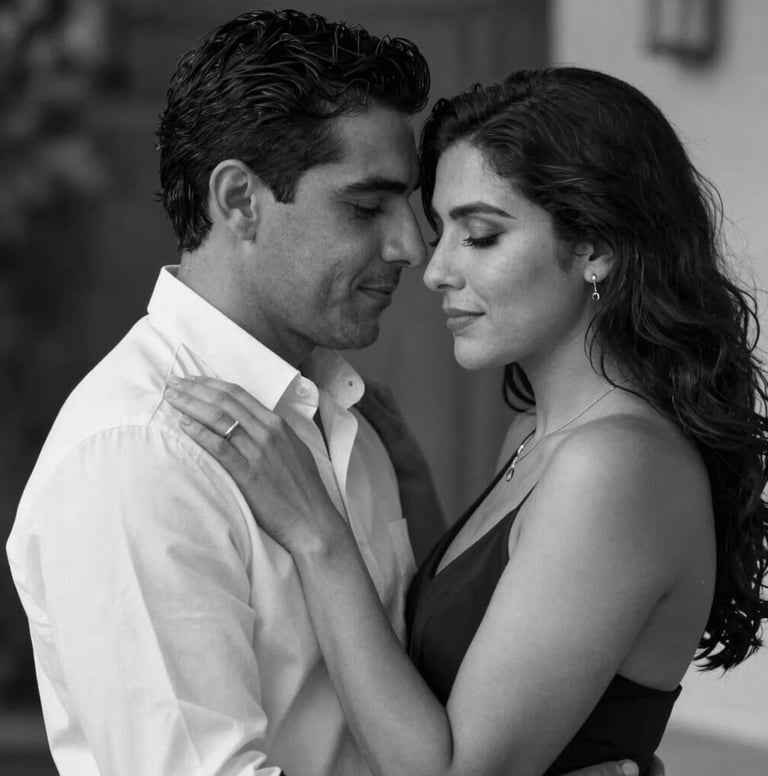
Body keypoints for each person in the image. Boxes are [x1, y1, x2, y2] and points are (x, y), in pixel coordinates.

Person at [5, 10, 642, 776]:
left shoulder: (339, 413)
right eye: (367, 208)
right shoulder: (142, 453)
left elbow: (408, 705)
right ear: (240, 199)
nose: (413, 249)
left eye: (412, 208)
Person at [164, 66, 768, 776]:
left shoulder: (616, 466)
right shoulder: (538, 439)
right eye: (440, 229)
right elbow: (471, 654)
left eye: (479, 235)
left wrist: (316, 532)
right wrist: (414, 493)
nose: (434, 269)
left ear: (596, 246)